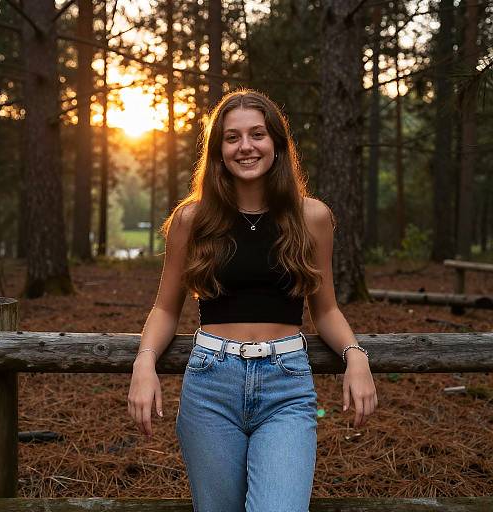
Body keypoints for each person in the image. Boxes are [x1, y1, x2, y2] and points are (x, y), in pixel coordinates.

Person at [128, 88, 378, 512]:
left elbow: (327, 309)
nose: (246, 146)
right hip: (210, 385)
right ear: (219, 150)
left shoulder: (312, 217)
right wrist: (144, 362)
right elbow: (165, 308)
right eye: (232, 137)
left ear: (277, 145)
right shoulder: (192, 219)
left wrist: (356, 356)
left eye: (257, 134)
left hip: (287, 386)